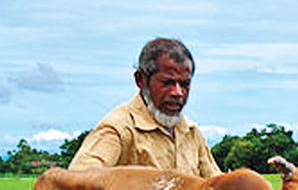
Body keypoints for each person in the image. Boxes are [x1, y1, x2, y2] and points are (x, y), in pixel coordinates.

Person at [70, 38, 221, 177]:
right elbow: (78, 181)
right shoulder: (119, 128)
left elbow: (219, 185)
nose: (177, 92)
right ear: (141, 80)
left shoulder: (191, 133)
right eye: (167, 83)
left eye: (184, 84)